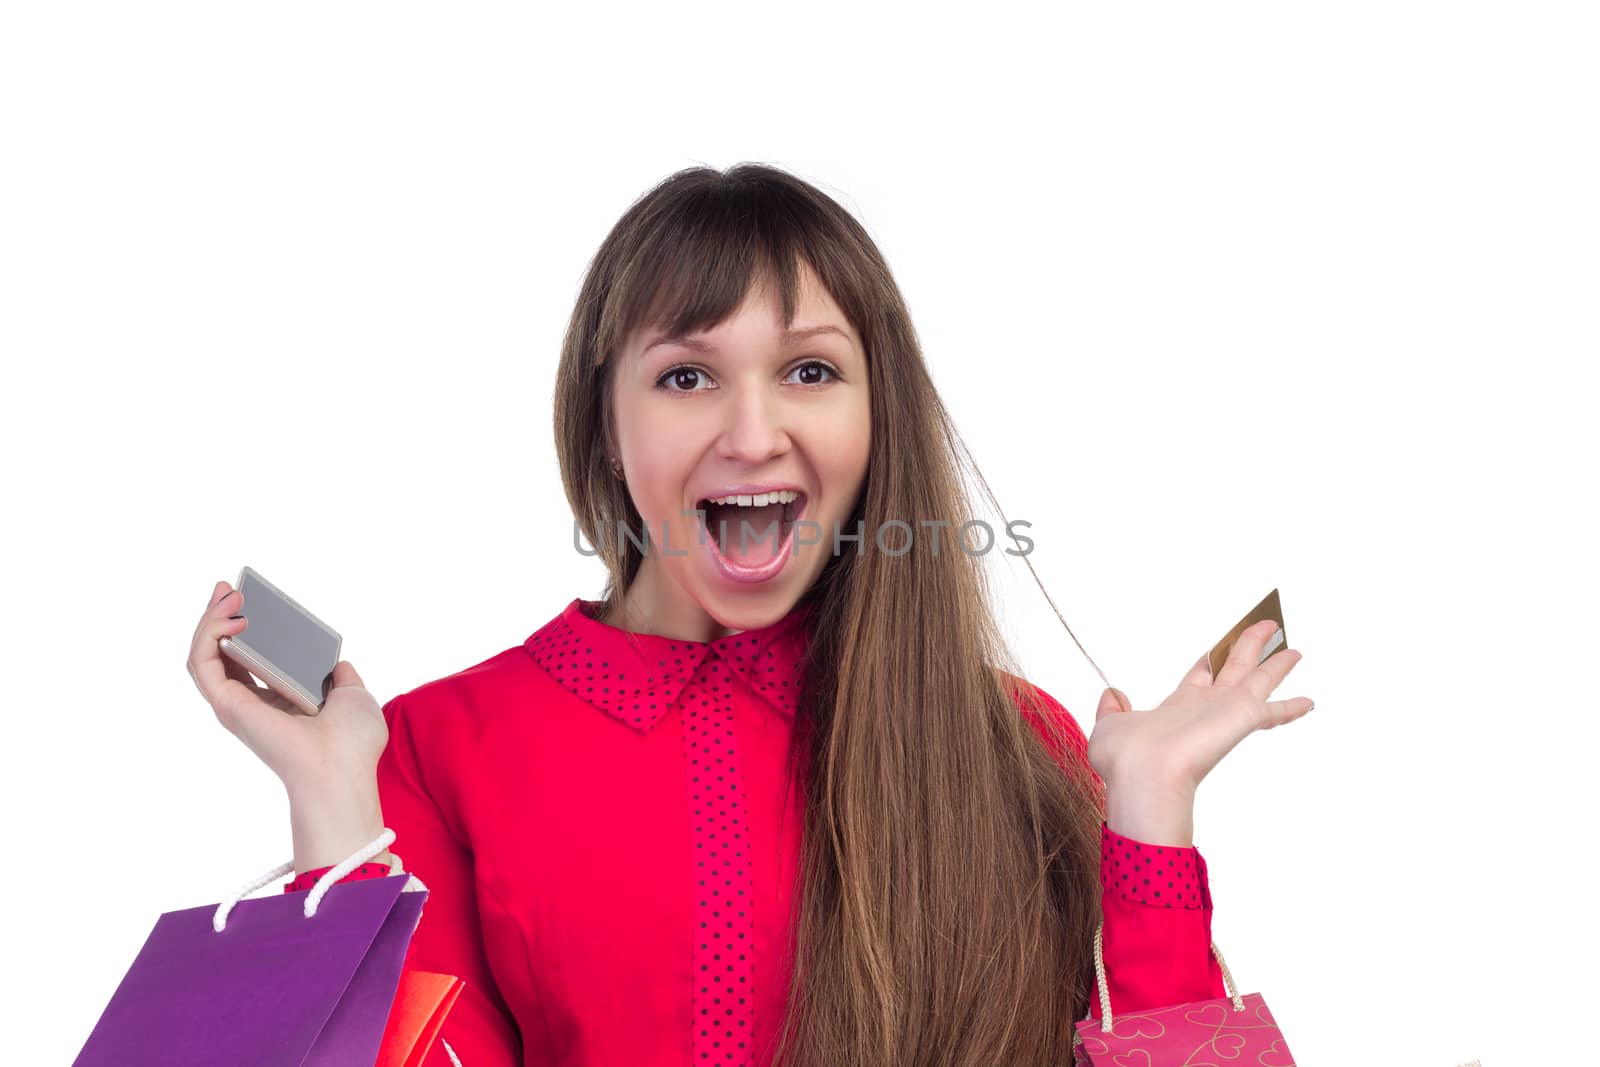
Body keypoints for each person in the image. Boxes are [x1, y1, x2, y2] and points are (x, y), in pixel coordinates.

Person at [185, 163, 1313, 1067]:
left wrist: (1147, 818)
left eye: (810, 371)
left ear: (881, 417)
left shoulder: (1012, 741)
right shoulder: (439, 747)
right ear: (603, 417)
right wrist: (335, 810)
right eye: (686, 377)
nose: (752, 431)